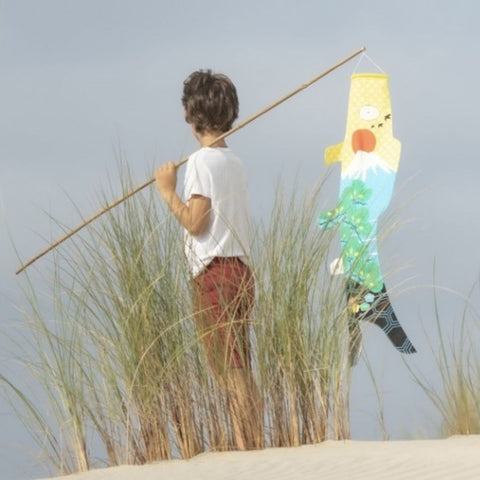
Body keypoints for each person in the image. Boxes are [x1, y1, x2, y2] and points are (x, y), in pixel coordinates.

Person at [154, 70, 262, 450]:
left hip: (215, 272)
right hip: (241, 270)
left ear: (190, 114)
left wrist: (168, 192)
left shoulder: (202, 161)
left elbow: (196, 224)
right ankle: (250, 441)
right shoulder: (235, 162)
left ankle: (245, 447)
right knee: (238, 365)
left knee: (228, 370)